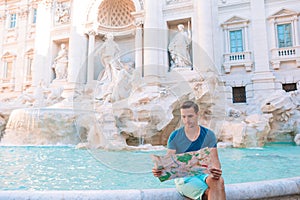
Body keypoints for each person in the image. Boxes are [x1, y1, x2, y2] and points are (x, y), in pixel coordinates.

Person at [152, 100, 226, 200]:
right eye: (184, 117)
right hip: (184, 178)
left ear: (197, 114)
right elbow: (168, 162)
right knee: (208, 193)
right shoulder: (175, 136)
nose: (187, 120)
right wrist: (158, 170)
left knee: (219, 181)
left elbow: (215, 162)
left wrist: (216, 171)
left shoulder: (209, 135)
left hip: (204, 174)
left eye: (190, 116)